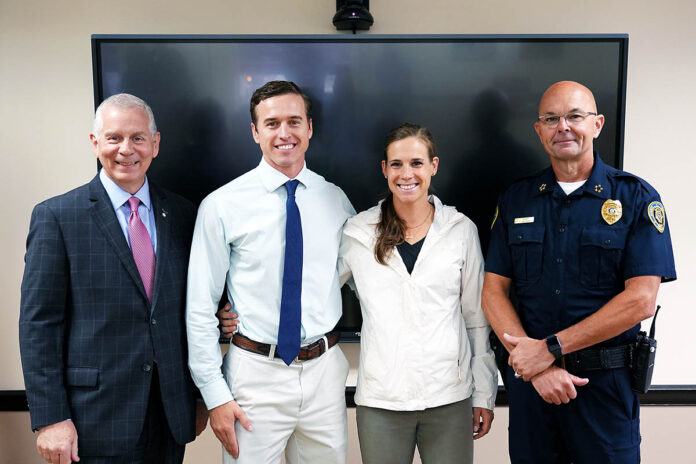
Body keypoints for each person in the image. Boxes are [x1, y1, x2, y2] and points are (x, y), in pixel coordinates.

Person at [482, 81, 676, 463]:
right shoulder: (516, 198)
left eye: (575, 116)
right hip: (533, 392)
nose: (563, 127)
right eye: (551, 119)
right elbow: (493, 292)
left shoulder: (636, 198)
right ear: (539, 131)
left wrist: (551, 349)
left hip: (604, 388)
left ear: (598, 124)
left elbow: (640, 300)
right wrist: (537, 369)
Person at [19, 93, 209, 464]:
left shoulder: (185, 215)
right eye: (113, 138)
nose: (126, 149)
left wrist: (200, 396)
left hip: (169, 413)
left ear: (155, 143)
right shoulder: (58, 217)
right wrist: (51, 418)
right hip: (92, 418)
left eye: (138, 138)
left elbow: (190, 306)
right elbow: (39, 325)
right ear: (95, 143)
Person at [186, 80, 355, 464]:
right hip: (253, 376)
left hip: (325, 374)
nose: (285, 133)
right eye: (272, 123)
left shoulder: (336, 199)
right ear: (255, 132)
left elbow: (353, 278)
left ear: (309, 128)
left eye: (294, 122)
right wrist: (215, 395)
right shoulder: (222, 205)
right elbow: (199, 307)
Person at [337, 123, 497, 463]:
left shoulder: (460, 230)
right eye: (396, 164)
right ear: (384, 169)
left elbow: (476, 319)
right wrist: (240, 311)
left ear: (433, 166)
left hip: (449, 399)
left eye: (416, 163)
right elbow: (312, 292)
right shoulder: (357, 233)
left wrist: (484, 393)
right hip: (382, 401)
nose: (406, 173)